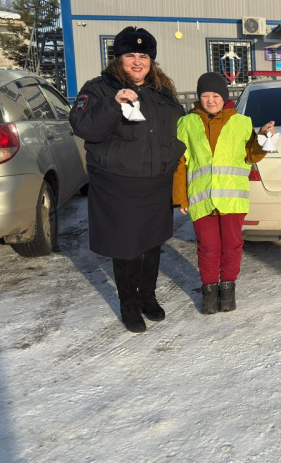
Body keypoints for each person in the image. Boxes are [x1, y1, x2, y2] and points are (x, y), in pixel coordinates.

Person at [70, 27, 186, 333]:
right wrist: (113, 104)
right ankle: (129, 303)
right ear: (117, 58)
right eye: (130, 56)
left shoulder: (162, 91)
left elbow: (178, 125)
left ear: (152, 60)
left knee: (152, 244)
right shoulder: (99, 89)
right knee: (127, 247)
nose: (137, 62)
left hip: (156, 181)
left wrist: (176, 151)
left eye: (143, 56)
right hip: (118, 183)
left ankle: (147, 295)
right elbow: (85, 127)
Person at [172, 72, 275, 314]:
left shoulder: (241, 122)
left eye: (215, 95)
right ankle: (209, 292)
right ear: (199, 97)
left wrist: (264, 138)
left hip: (232, 198)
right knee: (207, 246)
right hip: (202, 198)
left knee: (232, 244)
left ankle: (228, 291)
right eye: (205, 95)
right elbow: (180, 162)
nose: (210, 100)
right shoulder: (186, 123)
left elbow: (252, 156)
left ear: (224, 97)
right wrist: (179, 197)